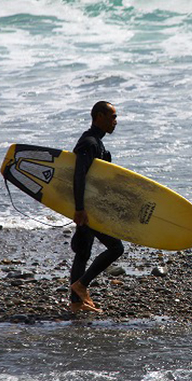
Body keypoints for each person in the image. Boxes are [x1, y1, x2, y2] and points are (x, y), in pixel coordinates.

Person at [69, 101, 124, 313]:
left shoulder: (97, 144)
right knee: (116, 248)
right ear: (99, 116)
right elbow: (79, 175)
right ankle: (81, 286)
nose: (115, 122)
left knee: (83, 252)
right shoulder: (89, 143)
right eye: (112, 117)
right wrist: (80, 208)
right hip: (87, 209)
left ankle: (76, 303)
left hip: (89, 206)